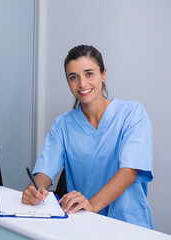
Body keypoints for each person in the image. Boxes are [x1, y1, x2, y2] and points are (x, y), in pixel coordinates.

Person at [22, 45, 153, 229]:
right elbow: (44, 171)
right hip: (84, 223)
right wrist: (34, 191)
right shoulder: (63, 125)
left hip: (128, 224)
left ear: (103, 74)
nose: (82, 84)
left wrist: (92, 204)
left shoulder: (132, 114)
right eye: (73, 77)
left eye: (89, 73)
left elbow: (129, 171)